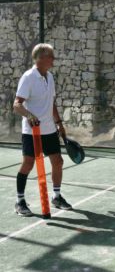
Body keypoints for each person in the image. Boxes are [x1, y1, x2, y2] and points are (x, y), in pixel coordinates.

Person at [13, 43, 72, 216]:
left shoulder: (50, 77)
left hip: (49, 129)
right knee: (28, 164)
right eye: (50, 56)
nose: (53, 59)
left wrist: (59, 123)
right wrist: (29, 115)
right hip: (32, 132)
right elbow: (17, 105)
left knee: (58, 162)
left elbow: (51, 103)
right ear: (40, 58)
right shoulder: (28, 77)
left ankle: (56, 196)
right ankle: (19, 201)